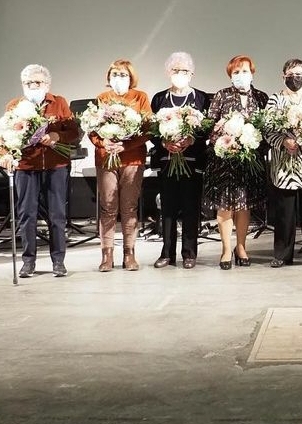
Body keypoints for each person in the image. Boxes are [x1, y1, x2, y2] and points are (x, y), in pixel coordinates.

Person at [0, 64, 80, 278]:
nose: (32, 86)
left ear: (47, 84)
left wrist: (58, 136)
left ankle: (58, 261)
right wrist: (4, 153)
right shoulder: (15, 106)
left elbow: (74, 132)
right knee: (27, 214)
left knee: (57, 215)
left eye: (37, 82)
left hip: (55, 165)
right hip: (26, 166)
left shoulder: (59, 103)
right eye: (28, 82)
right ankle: (28, 261)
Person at [204, 54, 269, 270]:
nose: (241, 75)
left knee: (244, 205)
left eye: (244, 71)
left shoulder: (261, 97)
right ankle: (225, 250)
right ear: (230, 75)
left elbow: (266, 129)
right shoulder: (221, 96)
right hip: (225, 162)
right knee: (225, 207)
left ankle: (241, 247)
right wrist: (225, 138)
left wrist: (251, 143)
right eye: (236, 72)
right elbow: (210, 127)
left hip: (249, 162)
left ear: (252, 74)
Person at [88, 59, 152, 272]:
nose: (118, 78)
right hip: (106, 158)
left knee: (129, 207)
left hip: (132, 158)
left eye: (123, 74)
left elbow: (147, 129)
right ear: (109, 77)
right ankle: (107, 255)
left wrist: (126, 145)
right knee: (108, 206)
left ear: (131, 77)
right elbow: (92, 129)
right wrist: (103, 142)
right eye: (115, 74)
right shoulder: (102, 98)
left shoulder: (140, 97)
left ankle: (129, 253)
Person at [263, 58, 302, 269]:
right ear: (283, 77)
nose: (294, 79)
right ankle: (282, 254)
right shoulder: (275, 100)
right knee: (284, 214)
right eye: (290, 75)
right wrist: (283, 142)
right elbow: (267, 130)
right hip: (284, 168)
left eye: (298, 75)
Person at [149, 52, 210, 269]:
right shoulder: (159, 98)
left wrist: (191, 139)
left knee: (191, 207)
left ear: (192, 73)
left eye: (184, 70)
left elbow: (208, 128)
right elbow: (152, 130)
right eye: (176, 70)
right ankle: (167, 253)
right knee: (168, 208)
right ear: (169, 72)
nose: (180, 74)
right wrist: (164, 142)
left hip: (193, 161)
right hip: (167, 160)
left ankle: (189, 253)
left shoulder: (202, 98)